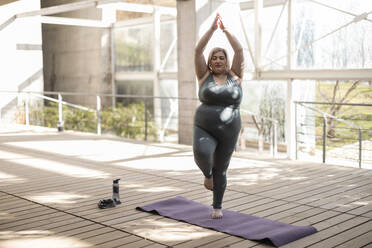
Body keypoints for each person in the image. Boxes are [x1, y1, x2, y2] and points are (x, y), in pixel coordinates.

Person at [193, 13, 244, 219]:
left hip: (229, 130)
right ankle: (207, 175)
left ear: (227, 60)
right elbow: (198, 50)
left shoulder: (236, 76)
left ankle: (217, 206)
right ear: (210, 62)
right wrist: (212, 30)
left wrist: (226, 31)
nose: (217, 60)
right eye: (214, 58)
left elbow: (239, 49)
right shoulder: (204, 75)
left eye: (221, 57)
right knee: (202, 153)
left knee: (222, 168)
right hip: (204, 125)